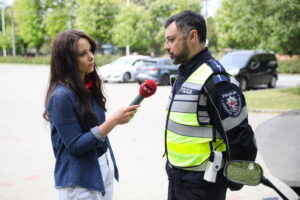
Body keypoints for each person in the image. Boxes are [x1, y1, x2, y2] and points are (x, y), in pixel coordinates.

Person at [163, 10, 257, 200]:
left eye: (171, 39)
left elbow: (241, 137)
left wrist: (235, 179)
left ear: (192, 36)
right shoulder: (184, 75)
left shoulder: (216, 82)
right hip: (177, 179)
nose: (166, 46)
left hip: (203, 185)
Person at [43, 30, 139, 200]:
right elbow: (76, 145)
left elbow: (96, 130)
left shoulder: (88, 85)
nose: (91, 56)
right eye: (82, 54)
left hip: (102, 168)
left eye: (90, 50)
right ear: (67, 61)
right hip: (79, 180)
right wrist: (114, 121)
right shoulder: (60, 96)